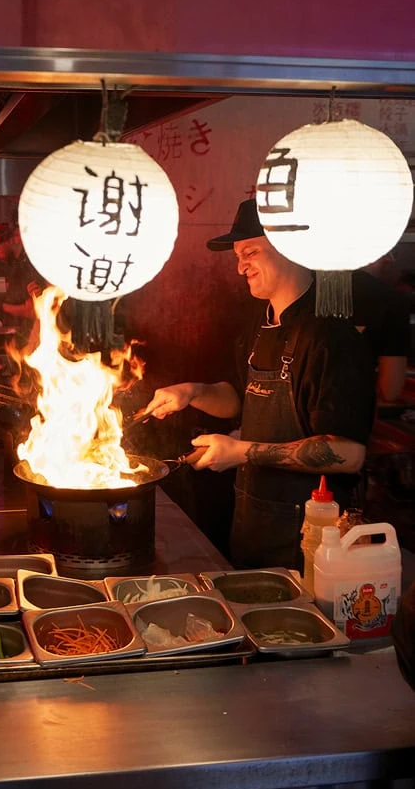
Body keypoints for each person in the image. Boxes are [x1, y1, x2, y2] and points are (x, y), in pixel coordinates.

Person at [144, 198, 376, 571]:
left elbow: (348, 454)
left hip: (310, 540)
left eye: (250, 252)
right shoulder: (261, 323)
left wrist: (241, 452)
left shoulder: (331, 336)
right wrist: (195, 392)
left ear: (289, 248)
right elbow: (240, 399)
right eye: (237, 256)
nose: (240, 268)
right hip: (253, 522)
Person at [352, 254, 410, 403]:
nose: (391, 259)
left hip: (297, 409)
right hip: (355, 412)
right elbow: (390, 390)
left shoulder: (305, 287)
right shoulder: (391, 300)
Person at [0, 222, 47, 346]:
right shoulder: (16, 264)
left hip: (36, 337)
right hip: (22, 335)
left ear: (11, 241)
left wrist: (0, 306)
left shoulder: (30, 264)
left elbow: (33, 311)